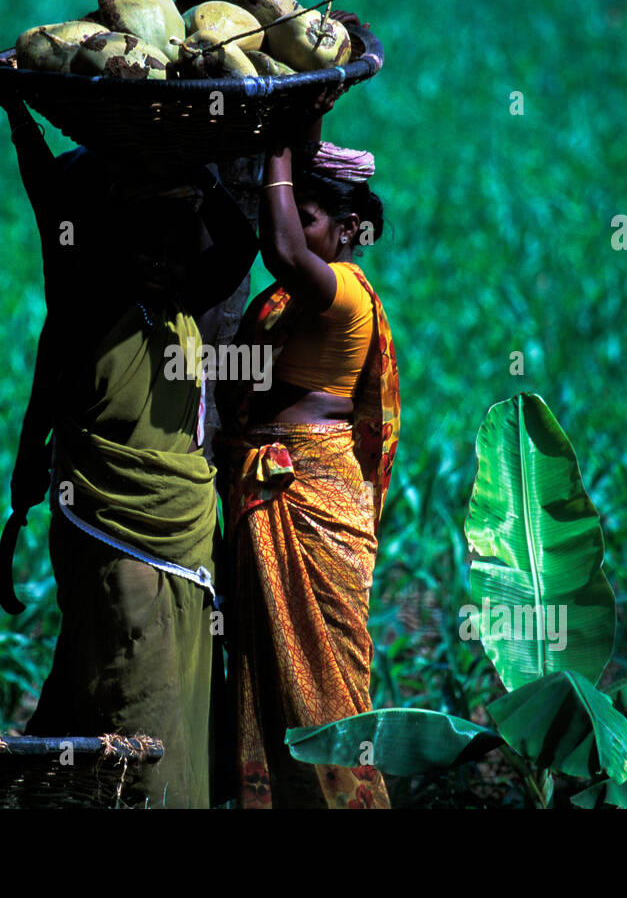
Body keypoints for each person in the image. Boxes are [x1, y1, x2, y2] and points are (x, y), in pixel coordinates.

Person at [0, 82, 259, 808]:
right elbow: (52, 203)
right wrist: (20, 118)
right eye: (139, 232)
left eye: (171, 239)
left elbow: (241, 243)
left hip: (185, 537)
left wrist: (201, 178)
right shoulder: (89, 306)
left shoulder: (180, 310)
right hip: (118, 538)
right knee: (131, 707)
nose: (157, 252)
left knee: (182, 698)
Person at [216, 59, 400, 808]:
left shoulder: (339, 289)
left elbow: (285, 247)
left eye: (312, 217)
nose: (296, 230)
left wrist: (278, 142)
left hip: (311, 497)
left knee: (328, 675)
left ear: (349, 228)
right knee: (269, 666)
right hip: (276, 488)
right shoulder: (284, 305)